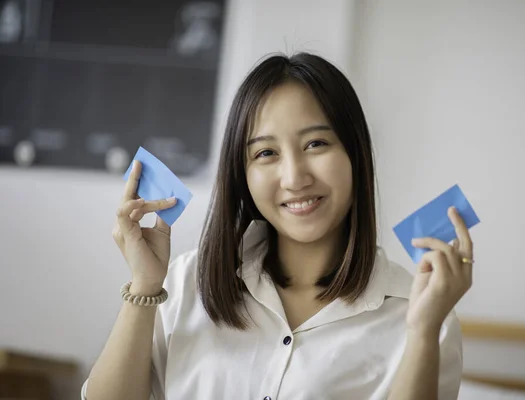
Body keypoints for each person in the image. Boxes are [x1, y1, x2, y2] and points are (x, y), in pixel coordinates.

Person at [82, 52, 473, 400]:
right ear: (243, 174)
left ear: (356, 157)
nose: (294, 177)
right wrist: (145, 286)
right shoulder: (185, 282)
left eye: (316, 144)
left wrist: (422, 332)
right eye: (266, 152)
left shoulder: (420, 312)